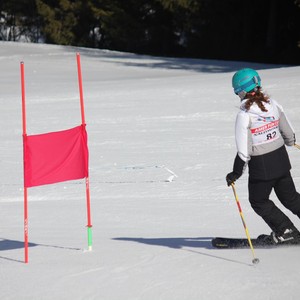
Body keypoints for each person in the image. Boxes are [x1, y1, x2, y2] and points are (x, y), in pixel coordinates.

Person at [226, 68, 300, 244]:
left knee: (259, 201)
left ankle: (286, 230)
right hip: (281, 160)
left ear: (241, 91)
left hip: (262, 167)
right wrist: (290, 141)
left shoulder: (244, 115)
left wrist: (235, 173)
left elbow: (244, 151)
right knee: (290, 197)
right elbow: (288, 131)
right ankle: (287, 230)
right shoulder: (273, 103)